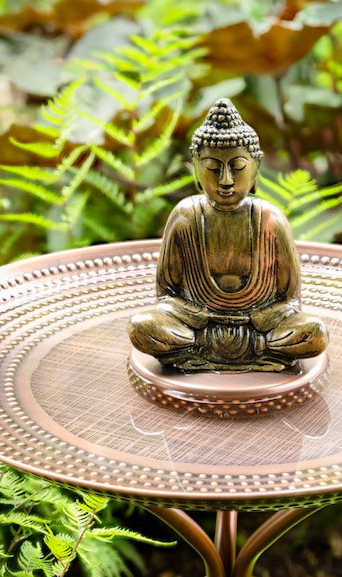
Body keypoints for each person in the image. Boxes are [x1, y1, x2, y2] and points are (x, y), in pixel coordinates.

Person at [129, 98, 328, 372]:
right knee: (142, 328)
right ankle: (233, 352)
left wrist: (255, 319)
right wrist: (203, 316)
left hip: (261, 332)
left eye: (237, 167)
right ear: (196, 170)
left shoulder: (271, 220)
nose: (225, 180)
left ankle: (222, 352)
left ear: (256, 169)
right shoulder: (185, 216)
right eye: (213, 168)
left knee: (314, 333)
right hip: (197, 329)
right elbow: (166, 295)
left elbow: (290, 300)